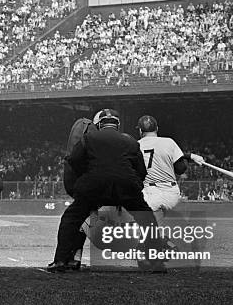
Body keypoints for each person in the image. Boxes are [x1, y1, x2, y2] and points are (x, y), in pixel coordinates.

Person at [47, 109, 158, 272]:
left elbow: (74, 161)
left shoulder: (88, 138)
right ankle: (154, 262)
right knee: (147, 218)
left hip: (95, 186)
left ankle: (61, 261)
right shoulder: (131, 141)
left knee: (71, 219)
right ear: (117, 125)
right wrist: (133, 187)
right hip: (125, 185)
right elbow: (141, 170)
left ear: (98, 124)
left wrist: (85, 180)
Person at [136, 115, 204, 224]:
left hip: (150, 193)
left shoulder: (136, 145)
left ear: (140, 131)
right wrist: (189, 156)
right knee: (164, 225)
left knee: (146, 226)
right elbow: (180, 169)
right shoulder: (169, 142)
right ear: (157, 128)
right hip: (171, 194)